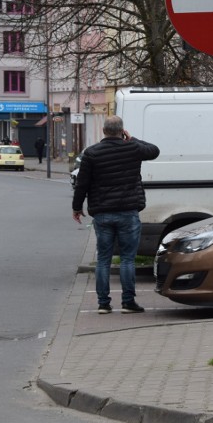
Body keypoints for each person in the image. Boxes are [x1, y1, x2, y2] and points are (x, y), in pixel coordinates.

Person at [72, 116, 160, 314]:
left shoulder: (91, 153)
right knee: (128, 259)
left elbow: (82, 184)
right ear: (122, 131)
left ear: (103, 131)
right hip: (128, 211)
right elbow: (154, 151)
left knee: (103, 258)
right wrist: (133, 139)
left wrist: (77, 207)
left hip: (102, 213)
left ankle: (103, 303)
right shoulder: (133, 148)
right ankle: (128, 302)